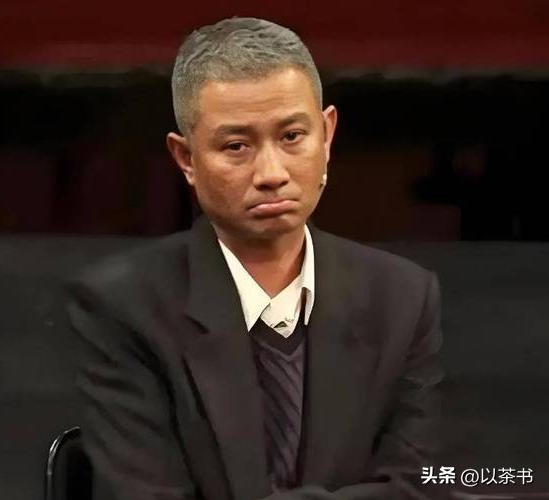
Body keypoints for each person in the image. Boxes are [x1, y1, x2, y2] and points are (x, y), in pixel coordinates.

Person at [66, 17, 443, 500]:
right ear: (186, 159)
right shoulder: (123, 307)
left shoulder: (403, 297)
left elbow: (418, 486)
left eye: (292, 137)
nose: (271, 173)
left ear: (327, 134)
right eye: (237, 146)